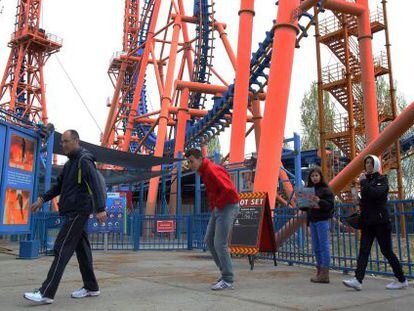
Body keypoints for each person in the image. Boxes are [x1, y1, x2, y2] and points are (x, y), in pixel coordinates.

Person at [24, 130, 107, 304]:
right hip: (72, 211)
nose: (63, 145)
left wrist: (101, 208)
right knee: (82, 250)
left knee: (62, 246)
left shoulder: (85, 160)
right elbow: (58, 186)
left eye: (66, 141)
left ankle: (46, 292)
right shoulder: (70, 164)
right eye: (62, 142)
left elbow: (95, 183)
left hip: (79, 211)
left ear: (76, 140)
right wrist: (42, 199)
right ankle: (91, 287)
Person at [343, 155, 408, 291]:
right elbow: (366, 200)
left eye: (370, 162)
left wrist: (363, 183)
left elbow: (375, 194)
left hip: (381, 222)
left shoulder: (382, 180)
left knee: (386, 251)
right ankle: (358, 280)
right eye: (366, 162)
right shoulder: (366, 181)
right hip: (368, 222)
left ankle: (401, 279)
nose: (368, 165)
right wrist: (357, 198)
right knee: (364, 250)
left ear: (376, 164)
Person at [185, 148, 240, 290]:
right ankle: (225, 274)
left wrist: (218, 204)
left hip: (227, 206)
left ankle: (228, 279)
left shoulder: (212, 170)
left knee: (219, 243)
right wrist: (215, 207)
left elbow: (229, 190)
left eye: (192, 161)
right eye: (189, 162)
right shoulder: (204, 171)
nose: (190, 165)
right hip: (220, 207)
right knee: (209, 240)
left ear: (200, 158)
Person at [305, 167, 334, 283]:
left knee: (324, 245)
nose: (315, 178)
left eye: (316, 175)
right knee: (316, 247)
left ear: (320, 176)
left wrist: (319, 201)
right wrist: (302, 201)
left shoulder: (326, 190)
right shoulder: (308, 190)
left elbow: (330, 205)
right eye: (312, 176)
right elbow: (307, 209)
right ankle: (319, 270)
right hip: (313, 221)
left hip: (322, 220)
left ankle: (325, 273)